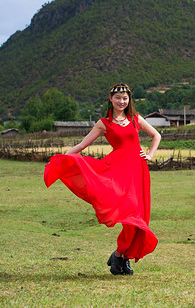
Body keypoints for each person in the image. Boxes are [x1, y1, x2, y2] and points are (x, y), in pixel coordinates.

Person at [44, 82, 161, 275]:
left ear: (129, 99)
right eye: (118, 98)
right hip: (116, 171)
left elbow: (156, 135)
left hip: (138, 172)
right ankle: (119, 256)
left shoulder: (135, 119)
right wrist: (61, 159)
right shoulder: (103, 123)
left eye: (125, 98)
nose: (122, 101)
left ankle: (122, 257)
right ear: (111, 99)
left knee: (139, 217)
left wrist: (150, 155)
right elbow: (82, 145)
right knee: (129, 215)